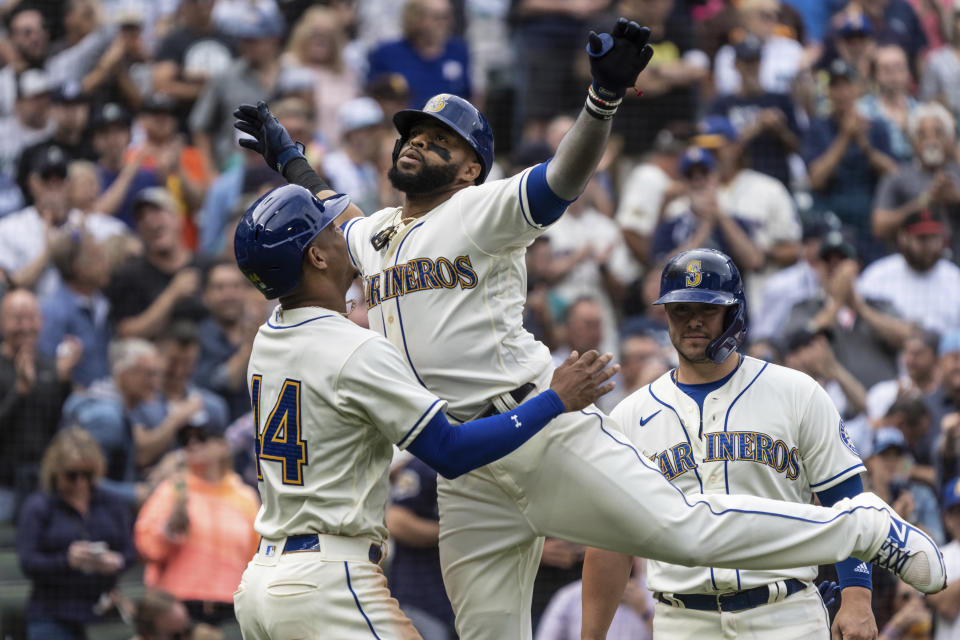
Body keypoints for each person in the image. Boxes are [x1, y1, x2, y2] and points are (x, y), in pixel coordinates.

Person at [235, 19, 946, 639]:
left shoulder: (480, 209)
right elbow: (330, 218)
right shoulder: (375, 236)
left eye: (437, 139)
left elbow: (561, 180)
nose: (417, 142)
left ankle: (863, 528)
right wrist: (289, 155)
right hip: (467, 468)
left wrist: (602, 103)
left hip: (540, 428)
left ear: (470, 168)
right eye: (413, 133)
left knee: (685, 531)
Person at [229, 183, 619, 639]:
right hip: (328, 583)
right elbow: (450, 452)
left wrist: (293, 164)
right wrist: (554, 401)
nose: (346, 234)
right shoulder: (355, 349)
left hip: (260, 581)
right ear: (316, 257)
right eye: (333, 229)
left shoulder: (267, 336)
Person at [580, 248, 887, 640]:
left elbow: (847, 502)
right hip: (683, 620)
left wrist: (857, 599)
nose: (693, 321)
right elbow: (610, 540)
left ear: (734, 313)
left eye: (707, 309)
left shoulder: (797, 393)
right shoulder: (628, 417)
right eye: (680, 309)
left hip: (785, 614)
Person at [135, 419, 258, 626]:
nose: (192, 445)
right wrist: (169, 529)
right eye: (186, 440)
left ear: (223, 445)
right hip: (179, 610)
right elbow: (147, 548)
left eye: (201, 438)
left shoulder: (245, 497)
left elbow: (256, 557)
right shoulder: (173, 489)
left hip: (233, 608)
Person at [16, 426, 136, 640]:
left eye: (87, 475)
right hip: (52, 614)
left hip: (103, 614)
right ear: (56, 471)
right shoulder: (39, 506)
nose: (80, 482)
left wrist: (116, 561)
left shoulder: (111, 503)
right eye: (72, 475)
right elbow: (28, 562)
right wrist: (66, 560)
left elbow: (130, 550)